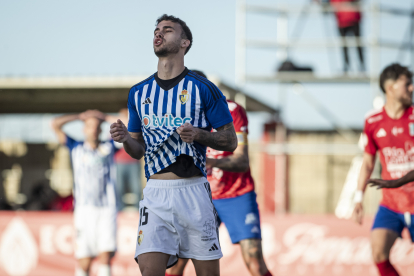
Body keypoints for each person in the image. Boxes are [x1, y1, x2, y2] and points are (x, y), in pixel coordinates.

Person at [109, 14, 237, 276]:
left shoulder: (204, 88)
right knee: (149, 270)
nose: (159, 33)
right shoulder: (139, 92)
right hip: (155, 192)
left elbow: (230, 141)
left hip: (193, 193)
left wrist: (199, 135)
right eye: (157, 30)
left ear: (184, 43)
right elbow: (138, 150)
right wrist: (125, 140)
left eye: (167, 30)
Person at [166, 70, 272, 276]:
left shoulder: (231, 110)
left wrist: (209, 161)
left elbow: (242, 161)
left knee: (254, 262)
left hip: (236, 194)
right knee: (175, 263)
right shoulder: (178, 118)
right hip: (199, 197)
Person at [352, 63, 414, 276]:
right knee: (378, 253)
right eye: (407, 84)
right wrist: (358, 197)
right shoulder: (372, 121)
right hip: (391, 204)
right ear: (391, 88)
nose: (412, 88)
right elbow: (368, 162)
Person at [52, 110, 120, 276]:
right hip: (84, 211)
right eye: (89, 126)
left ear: (101, 129)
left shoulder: (109, 146)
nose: (93, 130)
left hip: (107, 209)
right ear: (84, 129)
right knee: (85, 260)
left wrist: (103, 117)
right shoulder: (75, 147)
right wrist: (78, 116)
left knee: (105, 257)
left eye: (97, 126)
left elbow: (127, 125)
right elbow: (55, 124)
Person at [114, 108, 142, 211]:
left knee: (136, 187)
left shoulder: (135, 127)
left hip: (133, 162)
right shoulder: (115, 129)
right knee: (119, 187)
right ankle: (119, 209)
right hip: (119, 162)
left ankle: (138, 210)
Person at [330, 0, 364, 73]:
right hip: (343, 20)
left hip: (352, 18)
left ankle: (360, 66)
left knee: (357, 45)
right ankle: (348, 66)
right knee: (345, 46)